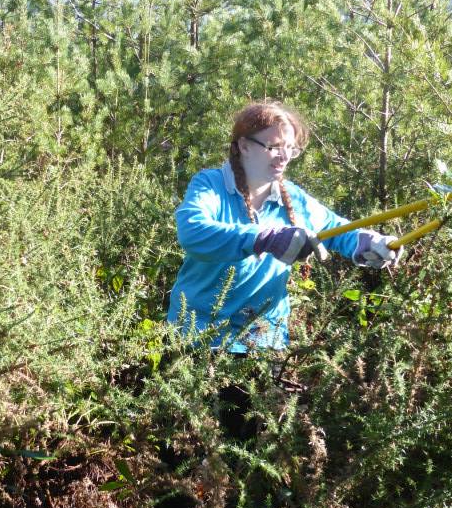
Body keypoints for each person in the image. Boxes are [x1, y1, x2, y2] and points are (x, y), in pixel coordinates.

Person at [167, 100, 400, 357]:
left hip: (264, 340)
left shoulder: (293, 198)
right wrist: (264, 238)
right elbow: (192, 232)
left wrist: (371, 242)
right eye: (274, 146)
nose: (285, 156)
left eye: (290, 148)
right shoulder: (211, 185)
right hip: (198, 336)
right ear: (244, 146)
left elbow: (336, 229)